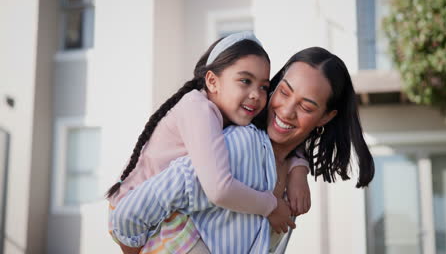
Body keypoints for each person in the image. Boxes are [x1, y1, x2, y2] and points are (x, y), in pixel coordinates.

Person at [113, 46, 375, 254]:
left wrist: (299, 167)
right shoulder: (236, 146)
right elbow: (129, 214)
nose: (286, 111)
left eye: (306, 107)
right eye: (283, 92)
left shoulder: (290, 183)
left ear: (325, 118)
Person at [106, 32, 310, 253]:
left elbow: (276, 137)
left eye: (263, 86)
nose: (256, 95)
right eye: (245, 81)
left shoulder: (229, 111)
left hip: (169, 211)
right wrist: (271, 206)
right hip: (138, 210)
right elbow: (219, 189)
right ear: (212, 81)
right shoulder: (197, 108)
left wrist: (299, 168)